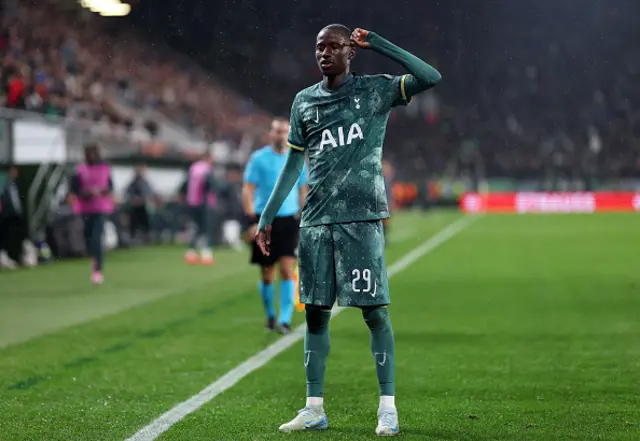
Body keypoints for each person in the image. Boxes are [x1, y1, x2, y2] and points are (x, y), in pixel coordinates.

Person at [255, 25, 441, 436]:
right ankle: (313, 408)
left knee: (374, 312)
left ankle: (387, 408)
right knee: (316, 316)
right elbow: (293, 164)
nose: (325, 53)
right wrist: (268, 214)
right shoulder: (304, 101)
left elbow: (430, 77)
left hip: (362, 220)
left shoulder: (375, 91)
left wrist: (377, 43)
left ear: (350, 52)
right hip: (316, 222)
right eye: (319, 47)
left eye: (334, 46)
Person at [243, 117, 308, 333]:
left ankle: (285, 319)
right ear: (271, 134)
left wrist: (304, 217)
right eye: (277, 131)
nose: (280, 135)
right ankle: (270, 315)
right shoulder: (258, 159)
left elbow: (302, 190)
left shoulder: (297, 159)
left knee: (288, 270)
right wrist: (252, 220)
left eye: (284, 131)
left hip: (289, 220)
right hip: (265, 220)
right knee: (267, 273)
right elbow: (248, 189)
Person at [69, 144, 114, 284]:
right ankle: (94, 259)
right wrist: (86, 193)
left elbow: (111, 186)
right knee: (88, 238)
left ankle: (97, 269)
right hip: (85, 207)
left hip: (101, 207)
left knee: (96, 237)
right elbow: (74, 189)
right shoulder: (80, 170)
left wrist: (104, 192)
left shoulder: (105, 168)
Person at [183, 152, 216, 265]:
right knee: (207, 228)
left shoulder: (192, 168)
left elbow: (185, 184)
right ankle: (206, 253)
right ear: (207, 158)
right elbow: (209, 184)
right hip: (204, 203)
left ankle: (191, 252)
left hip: (192, 202)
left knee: (197, 227)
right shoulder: (206, 169)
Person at [0, 165, 24, 268]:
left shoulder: (14, 184)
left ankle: (13, 257)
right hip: (7, 215)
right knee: (6, 236)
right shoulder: (5, 184)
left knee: (14, 236)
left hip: (15, 215)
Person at [126, 164, 154, 243]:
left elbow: (149, 195)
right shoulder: (132, 183)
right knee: (133, 224)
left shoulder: (145, 182)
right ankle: (133, 238)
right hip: (135, 207)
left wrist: (141, 199)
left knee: (145, 224)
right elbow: (128, 193)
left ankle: (147, 238)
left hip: (143, 207)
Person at [382, 159, 395, 245]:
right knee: (383, 221)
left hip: (386, 200)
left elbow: (389, 192)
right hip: (382, 201)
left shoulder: (387, 180)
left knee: (386, 221)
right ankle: (382, 239)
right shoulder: (383, 180)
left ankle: (384, 238)